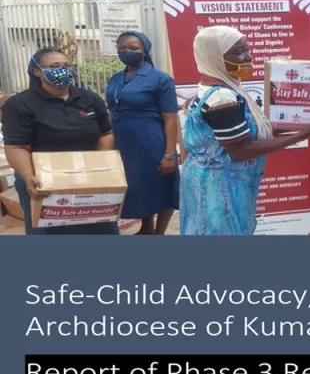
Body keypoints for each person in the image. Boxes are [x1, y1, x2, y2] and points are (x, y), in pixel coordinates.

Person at [180, 25, 310, 235]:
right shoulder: (222, 98)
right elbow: (241, 150)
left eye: (247, 50)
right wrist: (305, 134)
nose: (248, 57)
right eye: (238, 52)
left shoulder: (217, 86)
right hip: (219, 187)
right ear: (215, 57)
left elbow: (255, 128)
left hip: (208, 180)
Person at [0, 47, 118, 235]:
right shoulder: (20, 104)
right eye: (54, 66)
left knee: (98, 228)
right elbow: (17, 146)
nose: (63, 70)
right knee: (50, 234)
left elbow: (105, 133)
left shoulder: (89, 98)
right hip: (44, 181)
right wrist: (29, 176)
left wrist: (102, 165)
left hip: (88, 176)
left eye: (67, 65)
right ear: (37, 71)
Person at [106, 31, 180, 235]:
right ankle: (146, 226)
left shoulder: (160, 79)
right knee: (139, 185)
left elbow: (171, 119)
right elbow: (111, 110)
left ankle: (159, 232)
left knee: (161, 186)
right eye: (122, 48)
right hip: (124, 142)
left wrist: (169, 155)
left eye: (134, 48)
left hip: (150, 140)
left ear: (145, 50)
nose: (127, 51)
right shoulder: (116, 78)